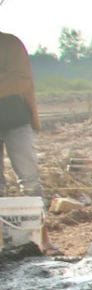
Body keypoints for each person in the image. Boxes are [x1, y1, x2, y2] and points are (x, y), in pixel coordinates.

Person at [0, 30, 42, 198]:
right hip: (15, 119)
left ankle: (36, 217)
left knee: (29, 178)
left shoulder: (10, 44)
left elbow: (21, 80)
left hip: (16, 120)